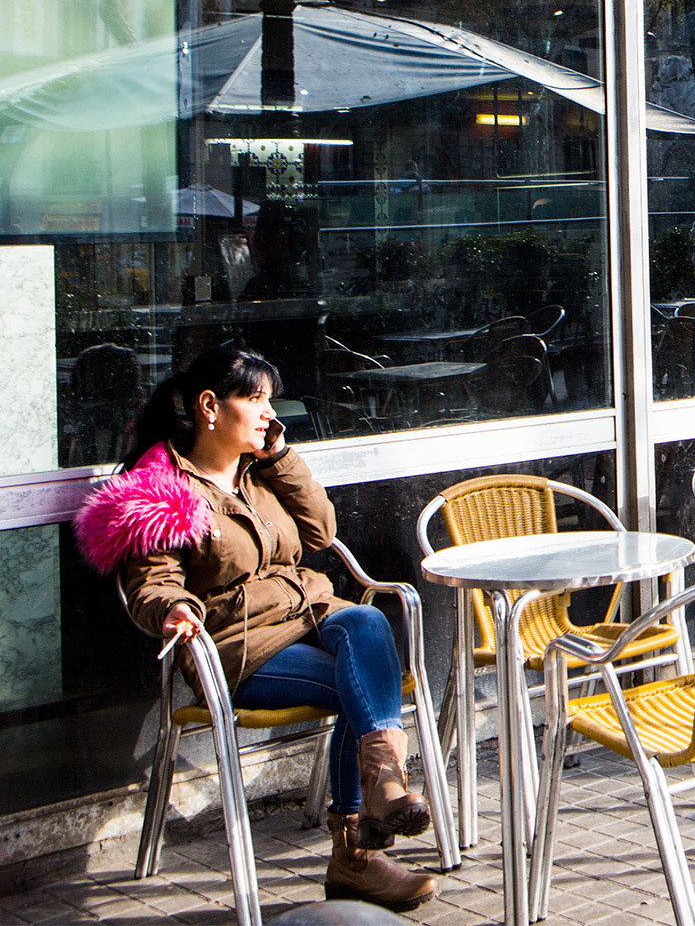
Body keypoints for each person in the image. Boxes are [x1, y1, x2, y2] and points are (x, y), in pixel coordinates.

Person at [74, 347, 437, 911]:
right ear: (210, 407)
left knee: (366, 622)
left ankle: (381, 785)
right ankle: (358, 850)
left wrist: (281, 458)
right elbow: (153, 582)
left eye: (271, 399)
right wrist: (173, 607)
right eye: (256, 399)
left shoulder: (258, 471)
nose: (270, 413)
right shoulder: (161, 490)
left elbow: (320, 533)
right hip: (239, 646)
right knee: (365, 687)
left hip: (306, 612)